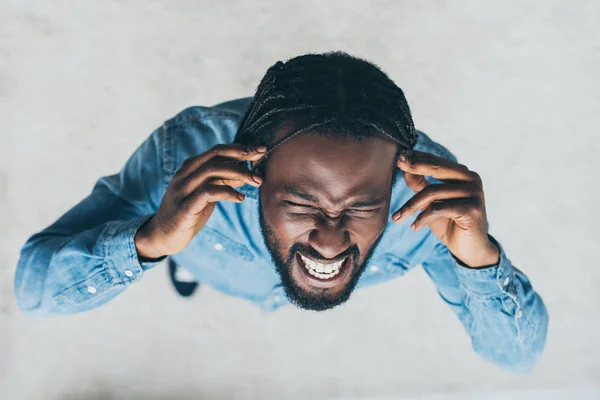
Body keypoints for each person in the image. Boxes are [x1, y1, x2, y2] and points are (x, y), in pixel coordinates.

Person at [14, 51, 548, 373]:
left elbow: (517, 359)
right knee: (185, 254)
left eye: (364, 206)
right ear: (255, 174)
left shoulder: (431, 203)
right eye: (300, 202)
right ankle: (185, 259)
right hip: (200, 249)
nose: (331, 241)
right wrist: (152, 241)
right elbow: (32, 294)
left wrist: (479, 259)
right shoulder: (184, 154)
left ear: (397, 186)